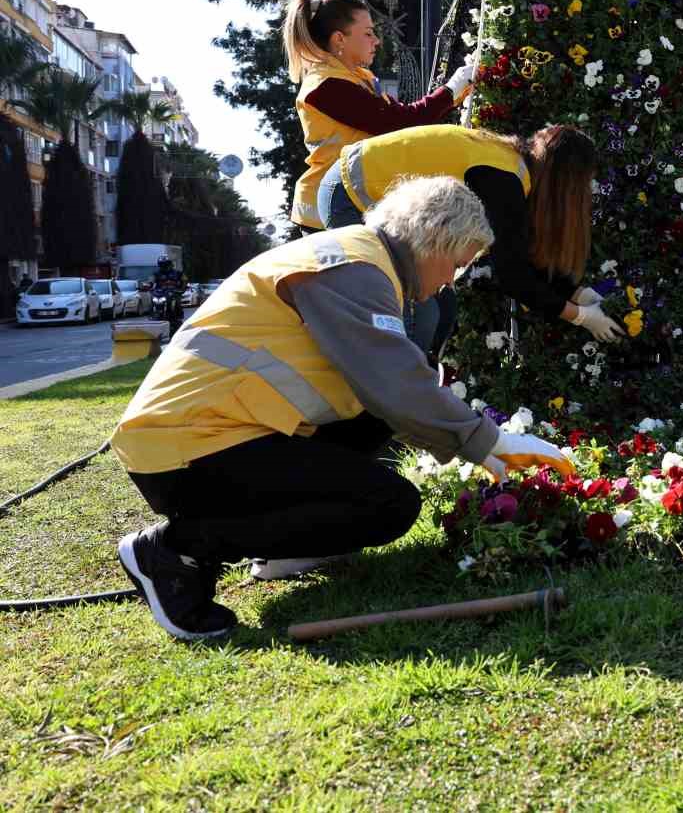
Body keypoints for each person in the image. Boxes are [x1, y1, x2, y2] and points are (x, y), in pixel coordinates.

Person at [111, 176, 573, 641]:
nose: (450, 281)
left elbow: (386, 389)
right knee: (388, 506)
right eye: (455, 264)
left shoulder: (359, 258)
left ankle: (283, 549)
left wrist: (472, 441)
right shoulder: (354, 268)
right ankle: (174, 552)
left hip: (206, 435)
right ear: (434, 237)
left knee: (373, 421)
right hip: (188, 453)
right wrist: (491, 442)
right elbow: (394, 380)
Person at [316, 123, 623, 359]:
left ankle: (404, 394)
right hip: (352, 195)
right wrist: (580, 317)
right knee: (420, 315)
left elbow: (517, 251)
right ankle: (389, 401)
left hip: (360, 189)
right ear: (564, 182)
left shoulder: (513, 169)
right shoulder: (502, 179)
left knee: (441, 308)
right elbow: (513, 274)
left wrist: (578, 294)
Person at [281, 0, 477, 232]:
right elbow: (401, 123)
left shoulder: (358, 77)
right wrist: (452, 88)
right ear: (339, 39)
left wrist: (457, 91)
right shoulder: (326, 86)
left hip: (351, 197)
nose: (377, 41)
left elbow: (403, 118)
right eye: (368, 33)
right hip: (332, 206)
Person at [151, 257, 187, 338]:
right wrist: (148, 285)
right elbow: (151, 281)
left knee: (177, 301)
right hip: (160, 293)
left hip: (174, 292)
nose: (164, 266)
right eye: (162, 264)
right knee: (153, 299)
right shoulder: (156, 273)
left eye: (166, 264)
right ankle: (152, 313)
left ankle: (178, 316)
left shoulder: (178, 273)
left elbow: (184, 281)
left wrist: (182, 289)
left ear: (170, 264)